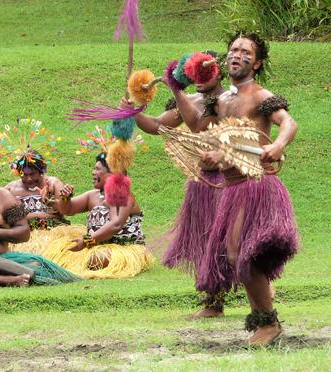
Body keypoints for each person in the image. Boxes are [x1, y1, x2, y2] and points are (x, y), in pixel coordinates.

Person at [172, 32, 298, 346]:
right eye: (233, 50)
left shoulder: (258, 95)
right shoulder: (222, 100)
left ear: (256, 62)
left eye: (244, 51)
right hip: (231, 188)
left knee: (240, 254)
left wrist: (278, 146)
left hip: (256, 184)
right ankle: (263, 322)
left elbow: (288, 123)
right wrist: (175, 89)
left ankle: (269, 324)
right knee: (235, 256)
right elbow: (196, 126)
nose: (236, 54)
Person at [122, 50, 228, 318]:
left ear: (219, 72)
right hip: (202, 182)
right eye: (194, 75)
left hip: (232, 180)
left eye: (205, 73)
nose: (199, 79)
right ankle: (213, 303)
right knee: (206, 242)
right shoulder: (188, 100)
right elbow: (157, 125)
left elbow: (211, 127)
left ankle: (259, 294)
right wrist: (132, 111)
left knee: (234, 241)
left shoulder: (231, 101)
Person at [0, 161, 81, 286]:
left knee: (36, 265)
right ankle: (9, 280)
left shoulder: (5, 198)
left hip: (0, 258)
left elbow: (24, 233)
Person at [43, 153, 153, 279]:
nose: (93, 172)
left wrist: (86, 241)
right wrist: (65, 198)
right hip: (97, 246)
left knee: (97, 259)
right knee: (62, 251)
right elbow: (68, 210)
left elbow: (116, 224)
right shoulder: (93, 195)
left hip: (123, 249)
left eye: (97, 169)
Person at [4, 150, 81, 254]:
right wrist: (38, 215)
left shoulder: (53, 184)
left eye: (33, 174)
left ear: (42, 171)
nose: (29, 179)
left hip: (55, 235)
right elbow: (5, 218)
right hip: (25, 238)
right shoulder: (11, 189)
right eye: (24, 175)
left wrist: (55, 199)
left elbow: (65, 211)